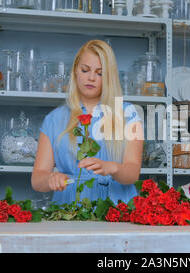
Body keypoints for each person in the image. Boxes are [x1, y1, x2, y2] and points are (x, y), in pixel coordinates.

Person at [31, 40, 144, 205]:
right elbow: (37, 178)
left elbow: (133, 172)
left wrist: (112, 168)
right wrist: (50, 179)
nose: (91, 78)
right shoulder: (53, 119)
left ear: (109, 78)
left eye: (100, 73)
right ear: (75, 70)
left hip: (118, 210)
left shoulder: (128, 115)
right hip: (69, 210)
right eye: (85, 70)